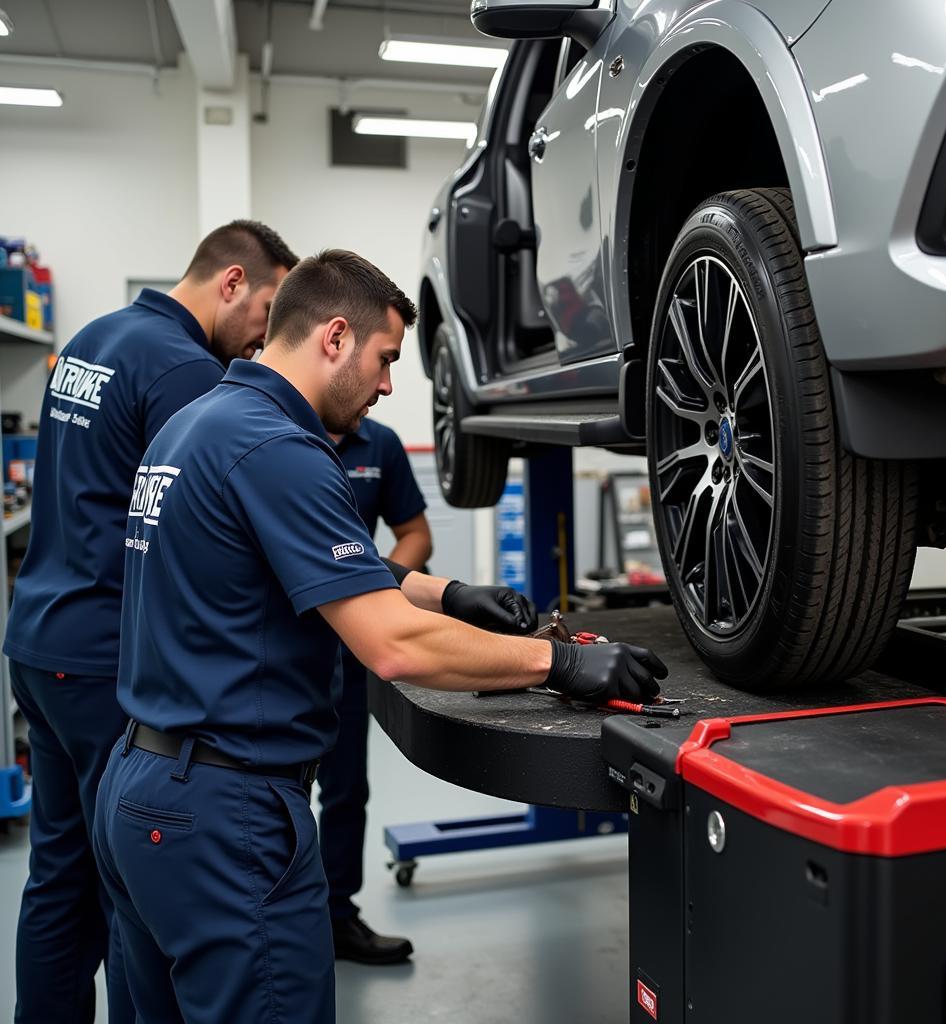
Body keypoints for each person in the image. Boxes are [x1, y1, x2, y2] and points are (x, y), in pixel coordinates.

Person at [92, 249, 666, 1023]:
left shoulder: (195, 425)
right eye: (386, 359)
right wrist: (559, 663)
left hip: (140, 792)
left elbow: (312, 566)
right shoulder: (279, 449)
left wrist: (450, 592)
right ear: (334, 337)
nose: (390, 385)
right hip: (225, 818)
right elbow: (395, 646)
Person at [3, 220, 298, 1024]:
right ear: (232, 281)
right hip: (105, 659)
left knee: (59, 871)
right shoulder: (183, 369)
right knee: (128, 885)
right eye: (269, 308)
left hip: (38, 640)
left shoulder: (97, 335)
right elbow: (207, 514)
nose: (268, 334)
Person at [324, 418, 432, 964]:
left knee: (345, 789)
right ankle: (281, 921)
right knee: (270, 792)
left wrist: (376, 584)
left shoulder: (381, 443)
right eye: (382, 362)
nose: (385, 385)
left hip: (350, 648)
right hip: (277, 644)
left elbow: (415, 533)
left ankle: (337, 915)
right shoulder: (274, 429)